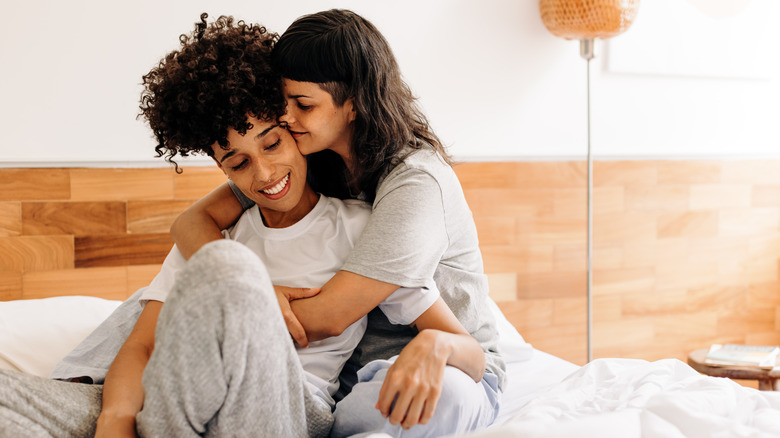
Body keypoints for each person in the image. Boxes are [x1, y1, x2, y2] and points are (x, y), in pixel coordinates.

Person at [0, 14, 484, 438]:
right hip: (177, 400)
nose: (265, 174)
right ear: (224, 169)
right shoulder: (232, 226)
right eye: (237, 163)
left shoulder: (374, 215)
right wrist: (116, 421)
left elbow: (361, 320)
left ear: (298, 134)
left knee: (226, 269)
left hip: (291, 403)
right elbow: (145, 340)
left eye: (275, 142)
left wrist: (252, 292)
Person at [171, 9, 506, 437]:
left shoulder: (416, 182)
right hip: (342, 380)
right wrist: (234, 285)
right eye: (283, 101)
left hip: (445, 362)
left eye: (303, 105)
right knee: (156, 302)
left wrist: (240, 308)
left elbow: (329, 315)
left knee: (436, 398)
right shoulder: (308, 158)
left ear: (355, 103)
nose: (286, 118)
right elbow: (191, 222)